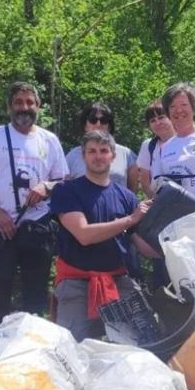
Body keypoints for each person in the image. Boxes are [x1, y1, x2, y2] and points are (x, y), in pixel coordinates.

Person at [0, 81, 69, 339]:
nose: (24, 108)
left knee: (35, 293)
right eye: (18, 102)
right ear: (9, 107)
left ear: (38, 106)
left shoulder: (49, 140)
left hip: (36, 226)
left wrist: (46, 187)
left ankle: (32, 347)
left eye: (29, 102)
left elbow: (62, 180)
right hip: (0, 228)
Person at [50, 130, 151, 341]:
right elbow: (84, 234)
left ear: (113, 156)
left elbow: (143, 246)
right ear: (83, 156)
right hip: (77, 284)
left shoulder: (127, 198)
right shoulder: (66, 191)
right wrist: (130, 220)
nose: (98, 156)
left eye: (104, 151)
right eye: (92, 151)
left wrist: (175, 247)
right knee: (70, 350)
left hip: (119, 282)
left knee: (144, 342)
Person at [64, 101, 139, 192]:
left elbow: (132, 191)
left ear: (109, 126)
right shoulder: (72, 156)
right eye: (93, 119)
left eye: (104, 120)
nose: (98, 124)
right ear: (85, 125)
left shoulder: (126, 154)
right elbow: (65, 189)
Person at [136, 99, 175, 197]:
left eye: (161, 117)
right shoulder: (148, 146)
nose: (158, 123)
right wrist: (155, 201)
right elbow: (144, 181)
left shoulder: (185, 141)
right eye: (153, 120)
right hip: (158, 201)